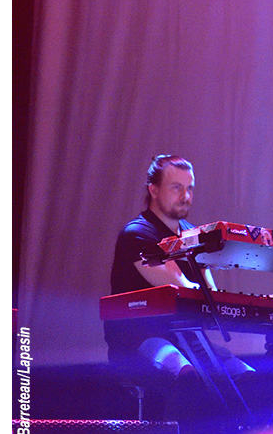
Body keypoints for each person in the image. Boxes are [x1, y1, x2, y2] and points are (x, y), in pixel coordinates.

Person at [106, 155, 254, 386]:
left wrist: (255, 303)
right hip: (138, 339)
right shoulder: (137, 233)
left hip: (187, 338)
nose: (186, 197)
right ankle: (175, 423)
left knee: (246, 376)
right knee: (185, 373)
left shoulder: (191, 233)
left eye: (189, 189)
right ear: (153, 190)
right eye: (176, 188)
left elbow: (210, 292)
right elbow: (183, 288)